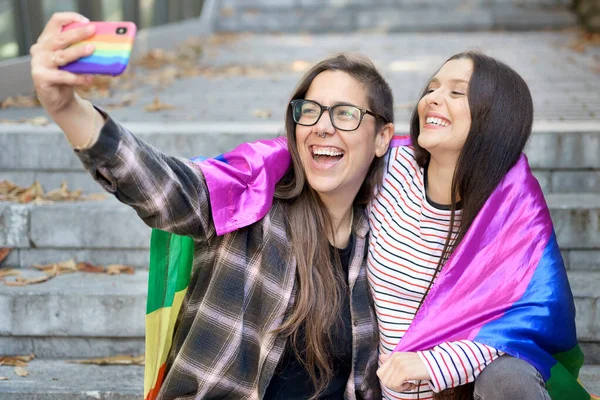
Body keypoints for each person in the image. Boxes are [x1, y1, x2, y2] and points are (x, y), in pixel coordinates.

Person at [30, 12, 398, 400]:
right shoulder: (248, 202)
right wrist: (66, 108)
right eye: (310, 110)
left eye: (345, 114)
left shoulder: (387, 236)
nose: (322, 126)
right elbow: (163, 185)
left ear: (381, 137)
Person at [193, 52, 591, 400]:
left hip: (466, 387)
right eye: (432, 87)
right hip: (386, 389)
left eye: (456, 92)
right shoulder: (389, 171)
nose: (432, 98)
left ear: (496, 117)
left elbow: (525, 322)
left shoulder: (513, 206)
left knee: (510, 378)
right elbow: (312, 149)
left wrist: (432, 365)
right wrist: (223, 179)